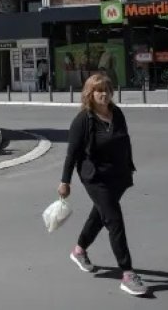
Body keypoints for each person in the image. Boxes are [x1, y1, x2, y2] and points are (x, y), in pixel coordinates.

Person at [58, 73, 147, 296]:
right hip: (95, 177)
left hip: (117, 176)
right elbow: (72, 154)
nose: (104, 94)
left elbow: (124, 141)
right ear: (90, 93)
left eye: (107, 89)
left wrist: (128, 168)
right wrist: (65, 181)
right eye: (99, 90)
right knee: (114, 219)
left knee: (100, 215)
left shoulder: (116, 113)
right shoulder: (83, 120)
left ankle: (79, 250)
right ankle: (127, 274)